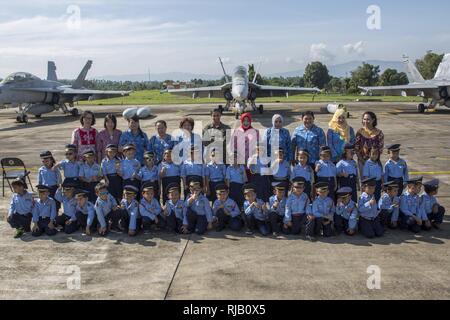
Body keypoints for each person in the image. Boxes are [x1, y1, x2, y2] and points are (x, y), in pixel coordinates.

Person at [355, 111, 384, 177]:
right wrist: (362, 161)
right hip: (362, 162)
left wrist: (373, 160)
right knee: (364, 182)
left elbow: (380, 149)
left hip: (375, 162)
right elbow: (356, 148)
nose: (366, 121)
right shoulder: (360, 132)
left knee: (375, 181)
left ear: (373, 120)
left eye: (368, 119)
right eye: (364, 119)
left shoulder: (379, 133)